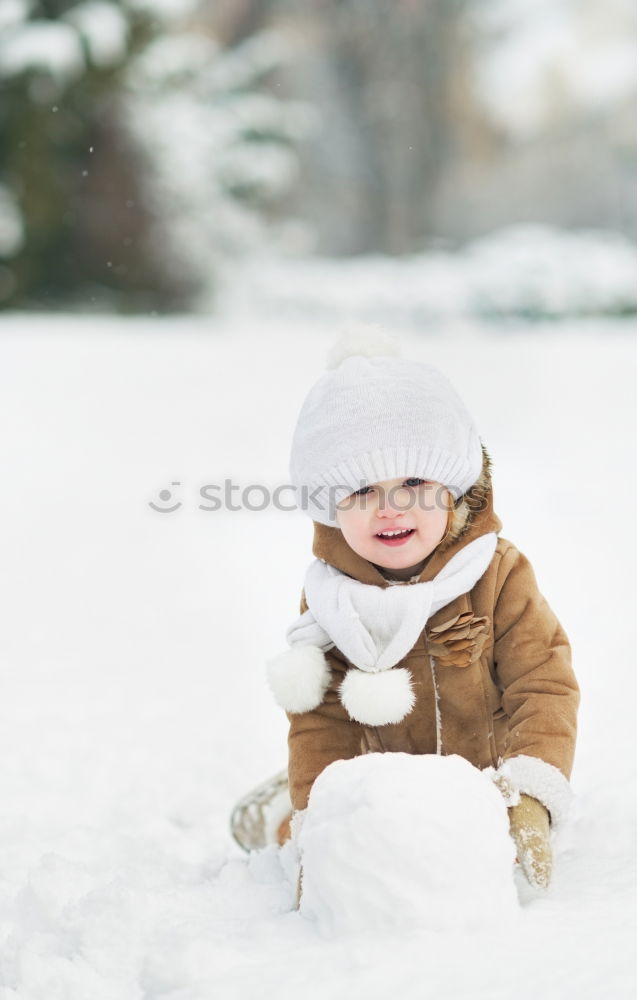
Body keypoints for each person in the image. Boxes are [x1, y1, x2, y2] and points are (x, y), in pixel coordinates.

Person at [231, 331, 579, 897]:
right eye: (363, 489)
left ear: (454, 487)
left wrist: (532, 793)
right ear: (330, 505)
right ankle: (276, 811)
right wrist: (317, 820)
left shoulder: (496, 573)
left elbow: (543, 685)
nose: (391, 508)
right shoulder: (333, 599)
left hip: (488, 788)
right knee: (307, 832)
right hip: (380, 794)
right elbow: (323, 720)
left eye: (414, 482)